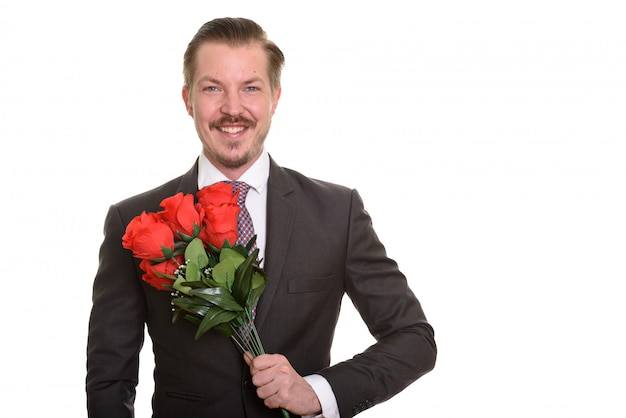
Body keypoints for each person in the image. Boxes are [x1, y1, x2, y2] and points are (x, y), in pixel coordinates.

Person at [86, 17, 436, 418]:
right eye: (212, 88)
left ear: (275, 97)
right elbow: (110, 376)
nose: (232, 109)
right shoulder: (134, 222)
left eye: (250, 88)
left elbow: (414, 338)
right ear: (187, 99)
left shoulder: (338, 213)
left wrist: (318, 392)